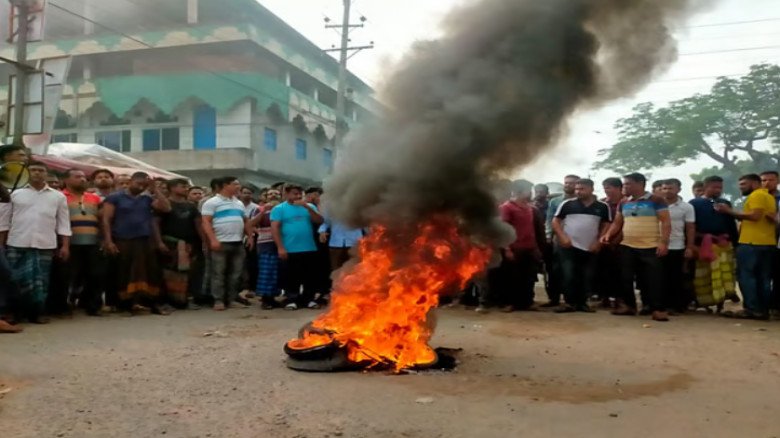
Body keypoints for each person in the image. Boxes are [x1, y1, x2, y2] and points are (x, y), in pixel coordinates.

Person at [0, 161, 71, 324]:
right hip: (17, 243)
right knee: (15, 279)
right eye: (33, 170)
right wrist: (1, 244)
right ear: (26, 172)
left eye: (41, 170)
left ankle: (37, 313)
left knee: (41, 281)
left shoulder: (58, 196)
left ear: (46, 174)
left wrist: (65, 245)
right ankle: (15, 313)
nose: (37, 173)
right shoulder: (14, 194)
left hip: (45, 244)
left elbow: (63, 223)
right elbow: (3, 221)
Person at [600, 173, 672, 321]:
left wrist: (663, 242)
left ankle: (658, 309)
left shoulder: (656, 200)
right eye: (624, 184)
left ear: (640, 184)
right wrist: (608, 235)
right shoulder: (624, 202)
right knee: (625, 277)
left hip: (650, 245)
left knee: (653, 279)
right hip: (627, 245)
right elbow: (617, 222)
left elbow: (665, 222)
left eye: (627, 184)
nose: (624, 187)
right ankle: (629, 306)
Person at [102, 172, 171, 315]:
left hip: (144, 240)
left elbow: (166, 208)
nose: (140, 187)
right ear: (130, 181)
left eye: (143, 185)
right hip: (123, 240)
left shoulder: (146, 198)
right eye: (138, 184)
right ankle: (124, 305)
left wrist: (155, 189)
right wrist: (108, 241)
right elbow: (106, 220)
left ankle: (151, 303)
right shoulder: (114, 197)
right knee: (124, 272)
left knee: (149, 272)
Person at [716, 174, 777, 320]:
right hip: (767, 243)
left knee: (747, 277)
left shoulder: (756, 196)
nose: (740, 187)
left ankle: (752, 309)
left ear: (755, 183)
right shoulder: (769, 197)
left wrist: (728, 211)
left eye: (744, 184)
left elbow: (755, 216)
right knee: (763, 278)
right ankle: (762, 310)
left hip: (751, 243)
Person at [552, 179, 611, 313]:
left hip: (590, 246)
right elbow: (555, 221)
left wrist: (598, 242)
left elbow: (606, 224)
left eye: (582, 189)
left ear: (591, 189)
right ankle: (570, 303)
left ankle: (583, 303)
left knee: (587, 275)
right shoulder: (567, 204)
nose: (578, 191)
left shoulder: (602, 206)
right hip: (569, 246)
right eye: (577, 189)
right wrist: (562, 237)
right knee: (569, 274)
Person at [201, 176, 254, 311]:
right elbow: (206, 222)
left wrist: (250, 236)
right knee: (218, 273)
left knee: (236, 273)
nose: (238, 187)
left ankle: (231, 299)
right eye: (235, 184)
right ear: (225, 185)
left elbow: (246, 220)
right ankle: (218, 300)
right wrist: (213, 239)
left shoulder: (238, 203)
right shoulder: (212, 202)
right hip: (221, 242)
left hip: (237, 242)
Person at [689, 176, 739, 309]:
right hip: (703, 244)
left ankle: (721, 302)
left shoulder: (725, 203)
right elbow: (690, 226)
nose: (718, 190)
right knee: (704, 275)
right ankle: (703, 302)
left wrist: (735, 243)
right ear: (705, 188)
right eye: (714, 187)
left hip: (723, 244)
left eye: (720, 187)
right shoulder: (694, 203)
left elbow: (731, 225)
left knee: (723, 274)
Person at [271, 184, 324, 310]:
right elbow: (274, 228)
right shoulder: (279, 209)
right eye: (295, 193)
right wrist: (280, 247)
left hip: (309, 247)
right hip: (290, 248)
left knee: (309, 276)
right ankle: (292, 299)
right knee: (291, 276)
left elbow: (319, 221)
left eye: (300, 193)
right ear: (286, 194)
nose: (298, 196)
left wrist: (307, 207)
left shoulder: (309, 206)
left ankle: (309, 299)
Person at [60, 169, 104, 316]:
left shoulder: (95, 198)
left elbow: (103, 219)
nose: (83, 179)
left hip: (92, 242)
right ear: (66, 180)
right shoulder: (60, 197)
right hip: (70, 243)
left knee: (95, 274)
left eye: (84, 177)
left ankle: (93, 306)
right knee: (70, 276)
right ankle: (65, 306)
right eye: (78, 177)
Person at [496, 181, 545, 312]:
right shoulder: (506, 207)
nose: (531, 193)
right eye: (529, 190)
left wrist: (537, 249)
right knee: (511, 277)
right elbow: (503, 229)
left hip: (530, 248)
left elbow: (535, 230)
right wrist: (507, 249)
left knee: (529, 277)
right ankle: (509, 303)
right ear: (520, 191)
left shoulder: (531, 208)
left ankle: (527, 302)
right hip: (514, 248)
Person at [158, 178, 206, 309]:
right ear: (172, 188)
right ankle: (169, 301)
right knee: (168, 273)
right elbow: (155, 224)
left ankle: (185, 300)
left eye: (186, 186)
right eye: (182, 186)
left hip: (190, 245)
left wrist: (204, 242)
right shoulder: (163, 204)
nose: (186, 188)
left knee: (190, 273)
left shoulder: (191, 206)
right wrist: (159, 242)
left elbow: (198, 225)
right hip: (170, 243)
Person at [661, 179, 696, 313]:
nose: (667, 191)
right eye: (664, 188)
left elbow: (690, 228)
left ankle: (675, 306)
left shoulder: (686, 207)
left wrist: (690, 247)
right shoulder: (656, 205)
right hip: (658, 245)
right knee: (658, 277)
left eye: (670, 188)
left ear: (678, 190)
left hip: (677, 246)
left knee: (675, 277)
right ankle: (659, 305)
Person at [544, 175, 579, 307]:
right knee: (555, 270)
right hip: (558, 240)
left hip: (577, 240)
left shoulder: (582, 201)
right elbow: (549, 219)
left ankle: (572, 299)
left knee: (572, 271)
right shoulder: (555, 201)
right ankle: (554, 299)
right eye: (566, 183)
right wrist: (548, 235)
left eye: (571, 183)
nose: (567, 185)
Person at [248, 188, 282, 309]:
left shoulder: (283, 208)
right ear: (265, 197)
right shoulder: (258, 209)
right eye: (271, 194)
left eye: (276, 194)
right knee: (267, 271)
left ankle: (274, 297)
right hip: (266, 244)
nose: (274, 196)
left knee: (278, 272)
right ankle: (266, 299)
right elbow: (250, 224)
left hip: (283, 244)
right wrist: (263, 212)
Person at [597, 177, 624, 308]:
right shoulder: (602, 204)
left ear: (619, 188)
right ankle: (604, 297)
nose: (606, 190)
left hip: (623, 243)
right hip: (604, 242)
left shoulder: (626, 203)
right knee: (603, 270)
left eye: (609, 187)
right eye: (605, 187)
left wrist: (616, 240)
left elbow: (625, 224)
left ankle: (619, 298)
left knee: (621, 272)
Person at [760, 171, 780, 319]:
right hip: (761, 242)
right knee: (763, 275)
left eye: (770, 180)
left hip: (777, 241)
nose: (767, 183)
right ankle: (763, 306)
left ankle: (775, 306)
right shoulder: (757, 198)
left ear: (777, 181)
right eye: (764, 180)